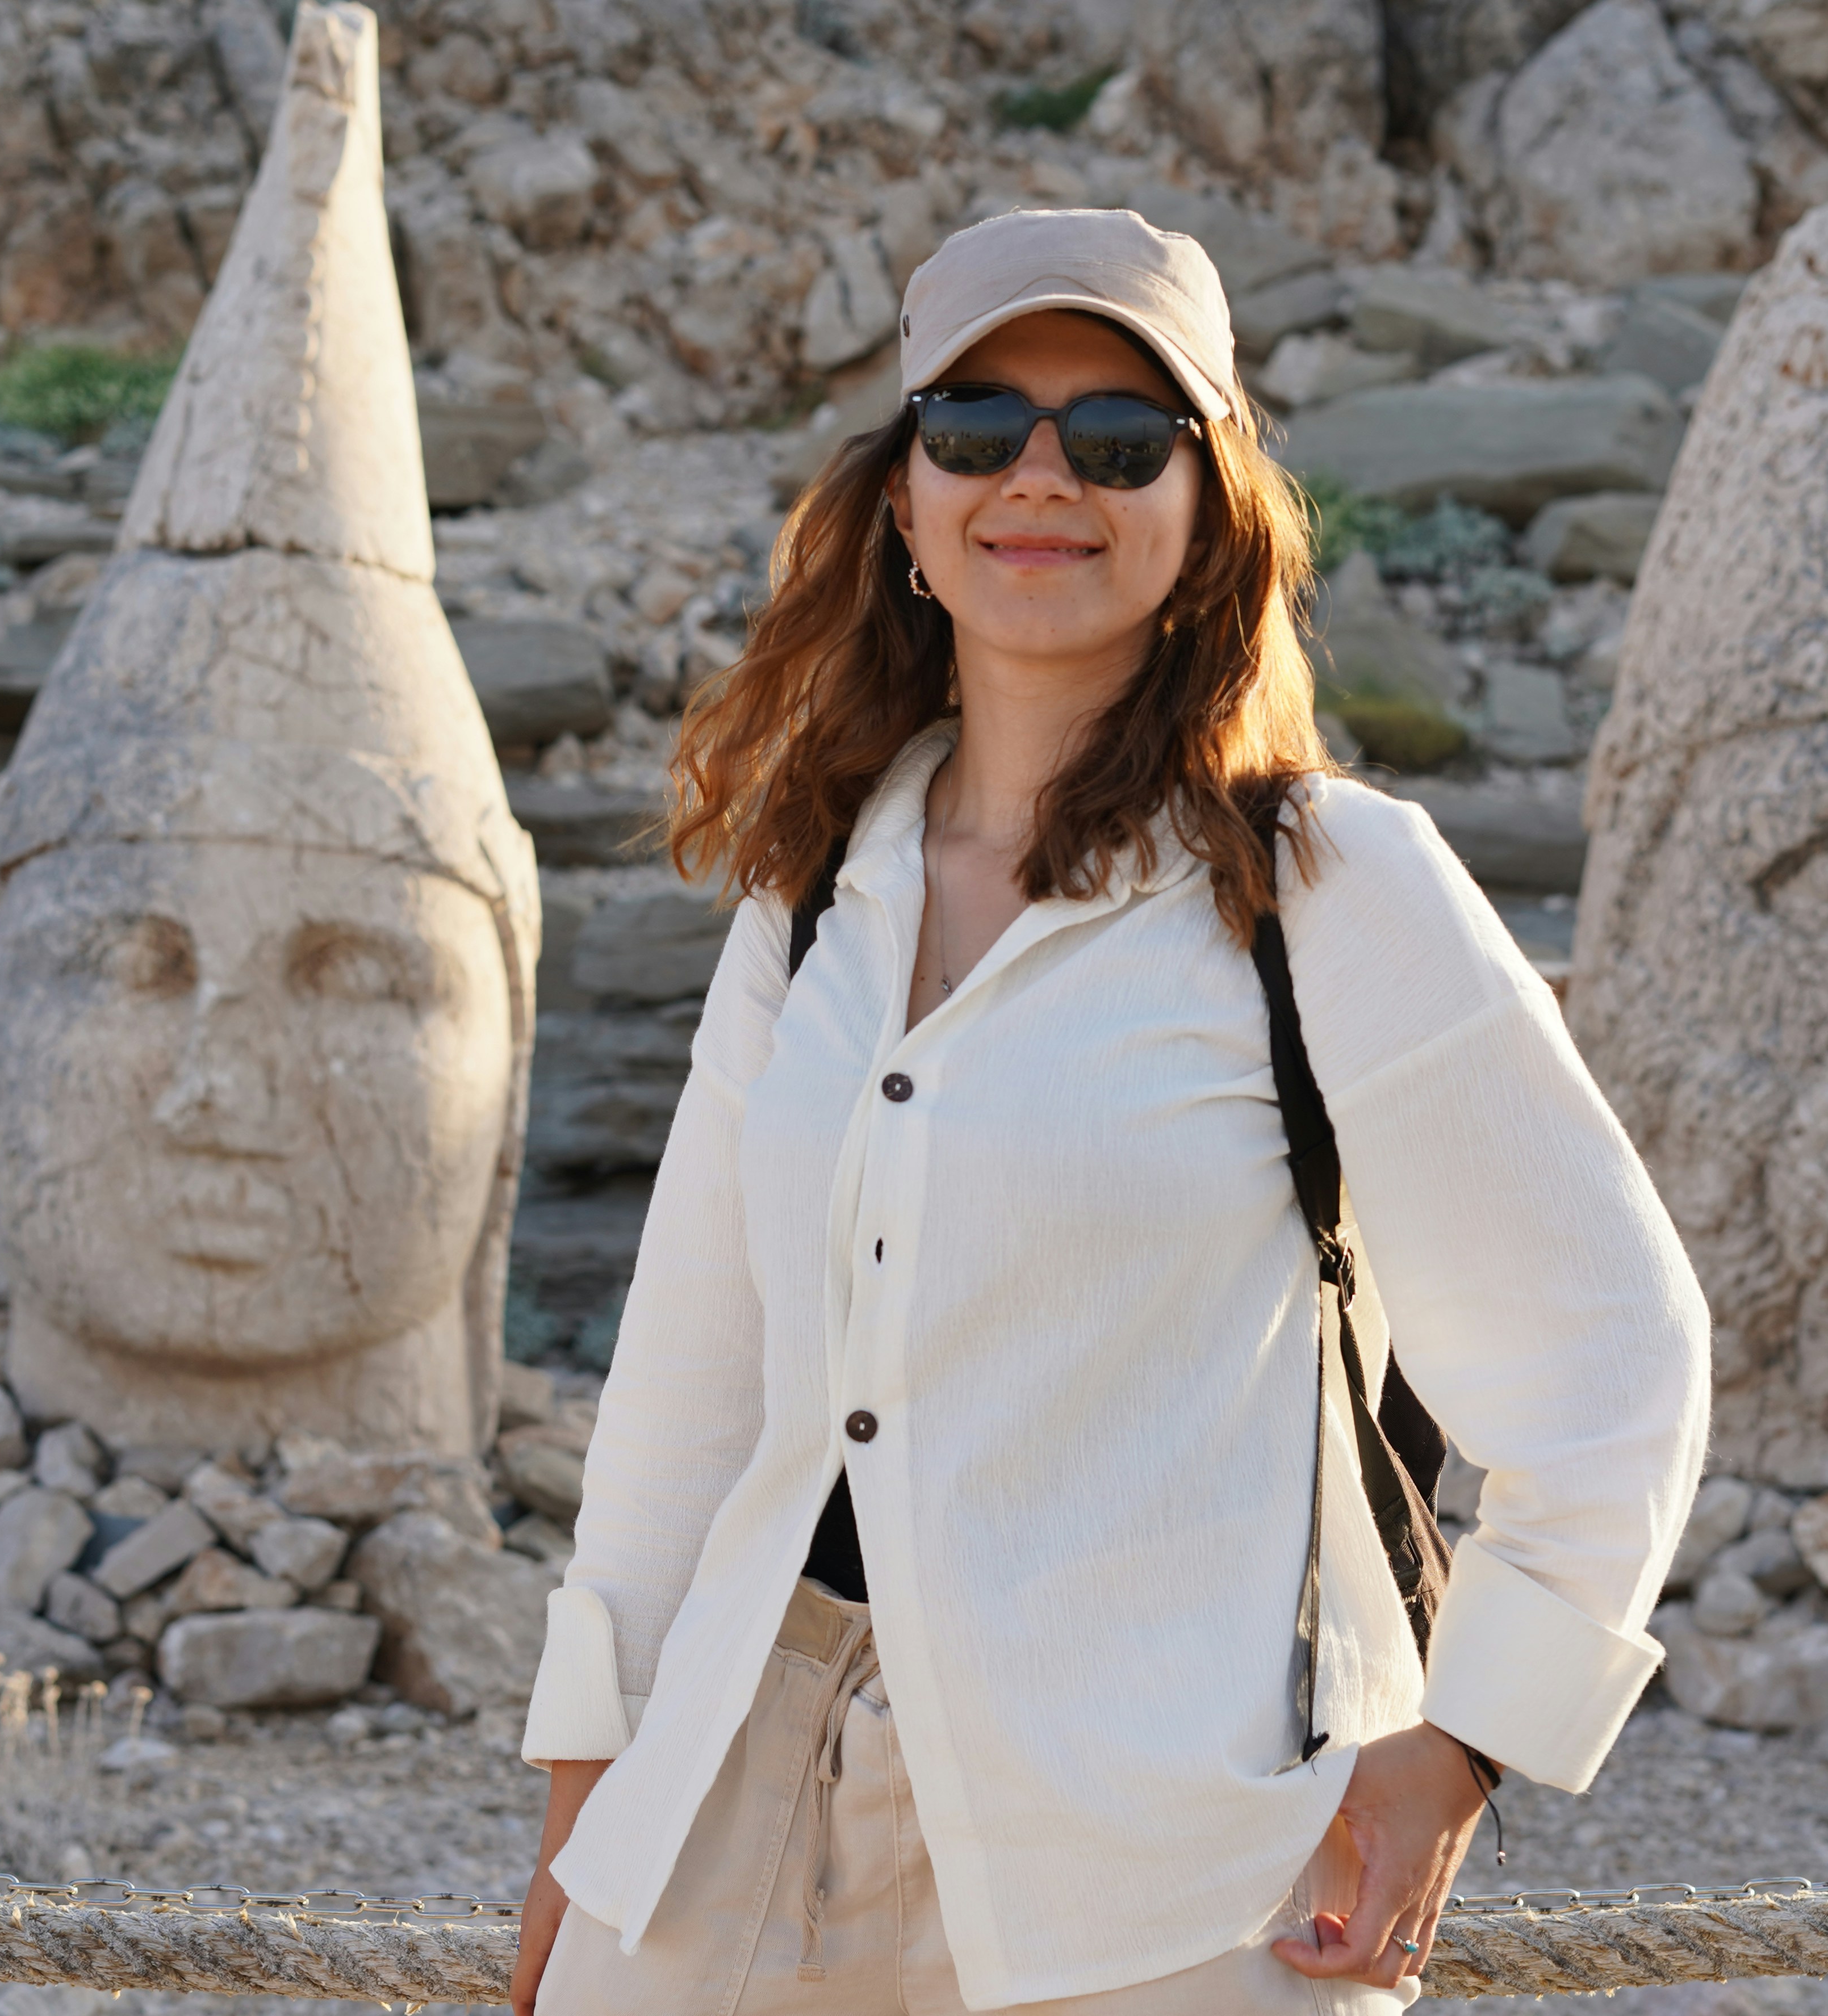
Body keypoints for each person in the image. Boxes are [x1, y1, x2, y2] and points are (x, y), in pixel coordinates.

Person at [510, 207, 1712, 2015]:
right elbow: (690, 1381)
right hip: (726, 1829)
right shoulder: (816, 892)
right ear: (905, 502)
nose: (1040, 477)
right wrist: (581, 1826)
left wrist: (1459, 1754)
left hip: (1170, 1870)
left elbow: (1615, 1348)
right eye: (978, 428)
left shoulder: (1331, 887)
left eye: (1121, 437)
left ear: (1209, 504)